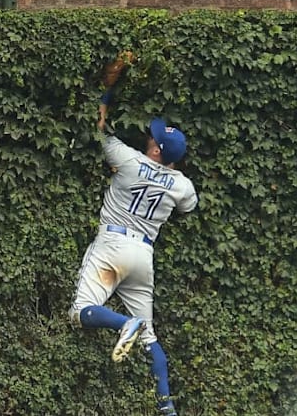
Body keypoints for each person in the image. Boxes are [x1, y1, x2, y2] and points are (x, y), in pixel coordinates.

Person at [68, 53, 198, 416]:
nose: (148, 138)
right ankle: (167, 407)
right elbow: (188, 207)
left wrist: (107, 93)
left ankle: (124, 323)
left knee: (80, 312)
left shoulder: (127, 158)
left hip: (112, 244)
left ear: (156, 150)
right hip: (143, 254)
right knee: (150, 337)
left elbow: (98, 127)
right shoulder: (181, 184)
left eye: (153, 139)